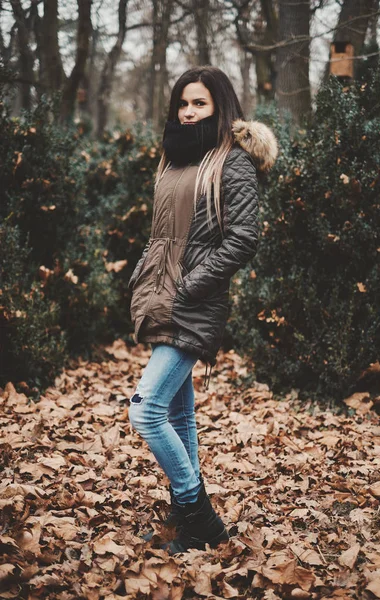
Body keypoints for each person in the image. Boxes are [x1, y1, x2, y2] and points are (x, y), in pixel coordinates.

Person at [128, 66, 278, 554]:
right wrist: (142, 274)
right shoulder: (172, 160)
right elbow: (161, 235)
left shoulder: (230, 162)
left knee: (146, 410)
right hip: (161, 293)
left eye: (200, 104)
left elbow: (244, 238)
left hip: (193, 302)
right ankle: (185, 514)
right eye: (183, 104)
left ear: (221, 108)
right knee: (178, 413)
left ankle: (199, 513)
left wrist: (194, 282)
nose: (189, 112)